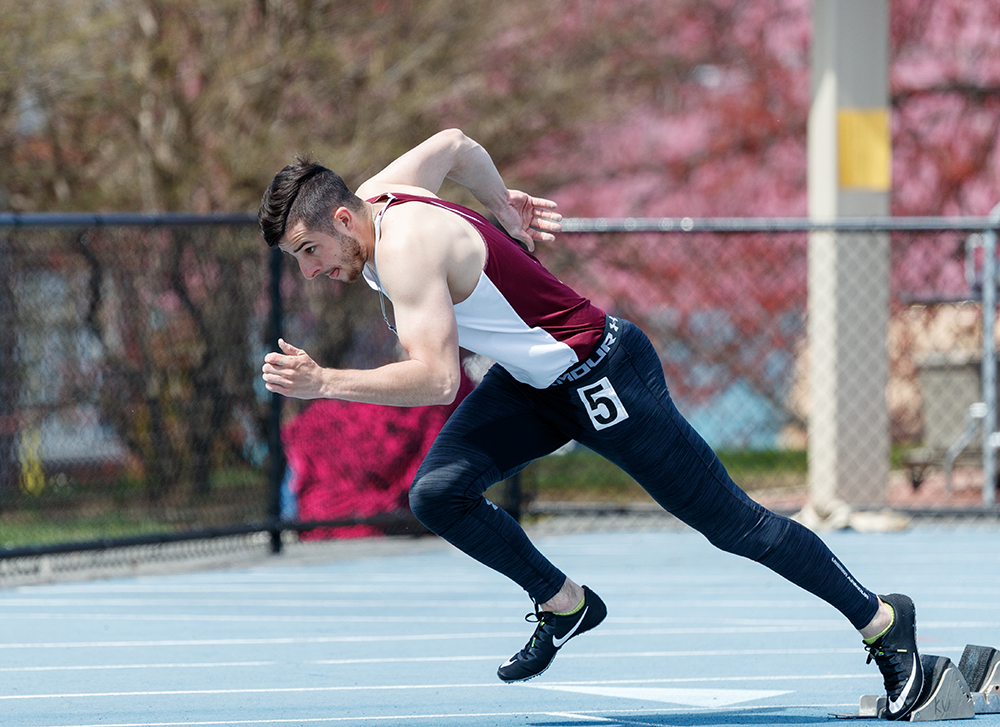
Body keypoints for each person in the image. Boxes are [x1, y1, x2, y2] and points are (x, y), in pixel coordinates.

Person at [258, 128, 924, 719]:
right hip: (532, 386)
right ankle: (563, 602)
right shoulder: (384, 193)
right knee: (438, 492)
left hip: (604, 374)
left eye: (310, 250)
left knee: (735, 524)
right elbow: (457, 143)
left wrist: (325, 383)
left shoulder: (406, 250)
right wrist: (500, 202)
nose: (311, 271)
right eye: (299, 260)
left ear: (345, 218)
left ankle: (881, 620)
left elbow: (435, 378)